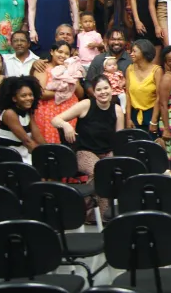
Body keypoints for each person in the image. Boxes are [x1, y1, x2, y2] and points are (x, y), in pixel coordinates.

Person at [51, 74, 124, 218]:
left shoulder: (117, 109)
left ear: (111, 89)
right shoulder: (86, 105)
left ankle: (92, 208)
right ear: (94, 92)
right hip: (85, 151)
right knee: (99, 171)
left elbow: (119, 138)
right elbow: (55, 120)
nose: (103, 92)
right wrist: (66, 125)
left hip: (107, 152)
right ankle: (102, 216)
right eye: (99, 90)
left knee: (117, 170)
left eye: (106, 88)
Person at [34, 41, 83, 144]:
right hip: (47, 111)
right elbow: (40, 93)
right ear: (52, 52)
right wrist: (66, 93)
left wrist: (74, 79)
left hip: (68, 112)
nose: (63, 56)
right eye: (60, 52)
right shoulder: (43, 67)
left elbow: (80, 94)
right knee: (49, 144)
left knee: (68, 142)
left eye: (66, 53)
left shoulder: (71, 69)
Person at [0, 75, 45, 161]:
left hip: (23, 153)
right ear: (14, 99)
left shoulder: (28, 112)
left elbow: (37, 136)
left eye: (30, 95)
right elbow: (27, 141)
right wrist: (45, 155)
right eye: (24, 96)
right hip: (9, 157)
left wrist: (50, 150)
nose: (29, 98)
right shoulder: (9, 114)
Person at [124, 39, 162, 133]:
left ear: (144, 52)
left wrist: (154, 120)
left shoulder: (157, 71)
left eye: (134, 51)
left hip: (151, 113)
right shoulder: (129, 69)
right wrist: (128, 119)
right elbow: (128, 95)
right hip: (134, 114)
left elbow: (159, 97)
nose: (131, 54)